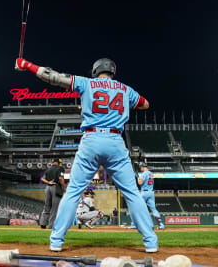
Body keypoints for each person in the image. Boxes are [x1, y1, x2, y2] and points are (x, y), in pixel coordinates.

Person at [15, 57, 158, 253]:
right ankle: (151, 242)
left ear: (96, 70)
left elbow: (53, 77)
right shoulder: (126, 89)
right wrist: (127, 102)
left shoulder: (87, 83)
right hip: (116, 141)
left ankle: (56, 241)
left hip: (91, 139)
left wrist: (26, 65)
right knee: (132, 193)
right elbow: (145, 104)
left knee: (73, 191)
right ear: (113, 71)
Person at [129, 162, 165, 230]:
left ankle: (134, 225)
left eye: (140, 167)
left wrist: (137, 177)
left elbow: (140, 183)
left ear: (143, 167)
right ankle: (161, 225)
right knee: (154, 209)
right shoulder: (151, 173)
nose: (140, 168)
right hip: (151, 192)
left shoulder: (144, 173)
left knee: (135, 207)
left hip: (144, 193)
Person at [39, 159, 66, 229]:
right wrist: (64, 188)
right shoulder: (60, 168)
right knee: (55, 207)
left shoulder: (48, 169)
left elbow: (42, 178)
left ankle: (43, 223)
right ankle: (51, 225)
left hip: (48, 187)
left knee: (47, 206)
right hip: (56, 187)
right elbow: (60, 178)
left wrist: (48, 182)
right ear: (59, 163)